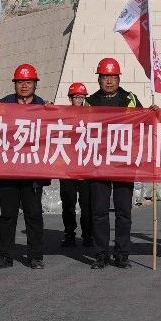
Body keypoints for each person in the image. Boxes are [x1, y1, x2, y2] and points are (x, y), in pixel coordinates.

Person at [86, 57, 143, 269]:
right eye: (105, 77)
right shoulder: (89, 103)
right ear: (99, 79)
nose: (109, 81)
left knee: (123, 213)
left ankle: (122, 255)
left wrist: (153, 112)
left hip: (123, 164)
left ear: (119, 78)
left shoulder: (130, 99)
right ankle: (101, 255)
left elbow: (143, 124)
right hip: (98, 165)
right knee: (99, 212)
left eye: (113, 76)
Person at [0, 64, 48, 270]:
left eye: (28, 82)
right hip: (8, 170)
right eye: (20, 82)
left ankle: (35, 256)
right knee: (7, 215)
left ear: (35, 84)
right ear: (15, 84)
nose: (24, 86)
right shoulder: (4, 105)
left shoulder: (45, 107)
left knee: (34, 215)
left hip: (33, 172)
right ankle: (5, 256)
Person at [59, 82, 93, 248]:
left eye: (81, 97)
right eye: (75, 97)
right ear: (70, 98)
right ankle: (69, 234)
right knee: (68, 204)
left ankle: (88, 235)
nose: (78, 100)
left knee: (87, 205)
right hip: (68, 167)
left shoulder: (92, 114)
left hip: (86, 167)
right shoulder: (64, 115)